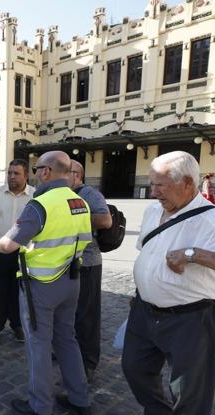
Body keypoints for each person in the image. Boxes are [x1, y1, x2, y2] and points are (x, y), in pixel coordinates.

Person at [0, 151, 92, 415]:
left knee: (39, 344)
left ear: (46, 171)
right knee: (67, 339)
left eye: (37, 169)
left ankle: (41, 406)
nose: (36, 173)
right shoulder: (79, 201)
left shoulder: (40, 204)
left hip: (42, 284)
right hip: (71, 279)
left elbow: (9, 243)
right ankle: (79, 398)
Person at [122, 151, 215, 414]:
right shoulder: (154, 211)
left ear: (187, 183)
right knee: (134, 369)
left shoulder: (211, 218)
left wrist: (192, 253)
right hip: (144, 310)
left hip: (190, 319)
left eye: (160, 185)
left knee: (190, 392)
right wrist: (143, 288)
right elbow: (147, 252)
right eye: (152, 184)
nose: (153, 192)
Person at [0, 159, 34, 343]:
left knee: (19, 291)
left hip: (24, 254)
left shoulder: (35, 196)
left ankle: (17, 325)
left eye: (16, 173)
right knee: (0, 289)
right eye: (9, 173)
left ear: (26, 175)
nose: (11, 176)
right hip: (0, 252)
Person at [69, 160, 112, 382]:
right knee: (70, 313)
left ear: (77, 175)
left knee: (87, 316)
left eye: (66, 171)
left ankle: (88, 363)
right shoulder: (61, 194)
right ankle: (71, 354)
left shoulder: (90, 194)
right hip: (67, 263)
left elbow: (105, 220)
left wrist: (73, 218)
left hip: (88, 264)